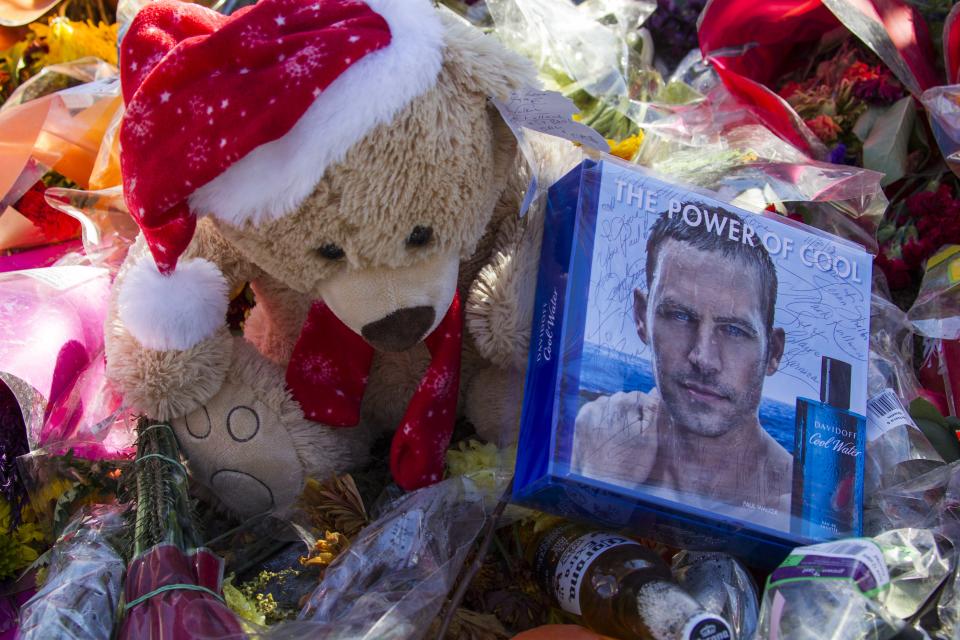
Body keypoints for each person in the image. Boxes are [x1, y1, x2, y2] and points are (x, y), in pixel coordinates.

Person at [572, 205, 791, 523]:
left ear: (774, 351)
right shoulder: (591, 434)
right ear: (641, 317)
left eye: (733, 330)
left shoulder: (798, 505)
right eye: (679, 315)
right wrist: (595, 475)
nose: (703, 358)